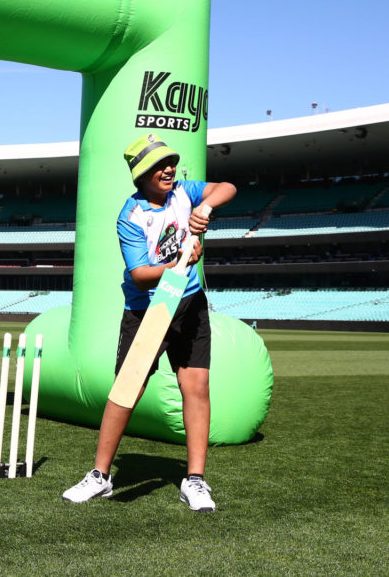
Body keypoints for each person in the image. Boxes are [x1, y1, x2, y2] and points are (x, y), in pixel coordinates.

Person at [62, 132, 237, 511]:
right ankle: (100, 476)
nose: (168, 169)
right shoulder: (131, 215)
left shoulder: (185, 192)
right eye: (159, 165)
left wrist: (204, 209)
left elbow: (227, 186)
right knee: (126, 391)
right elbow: (140, 274)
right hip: (148, 310)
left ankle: (195, 480)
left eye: (170, 162)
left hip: (189, 303)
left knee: (196, 387)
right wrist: (180, 262)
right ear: (141, 174)